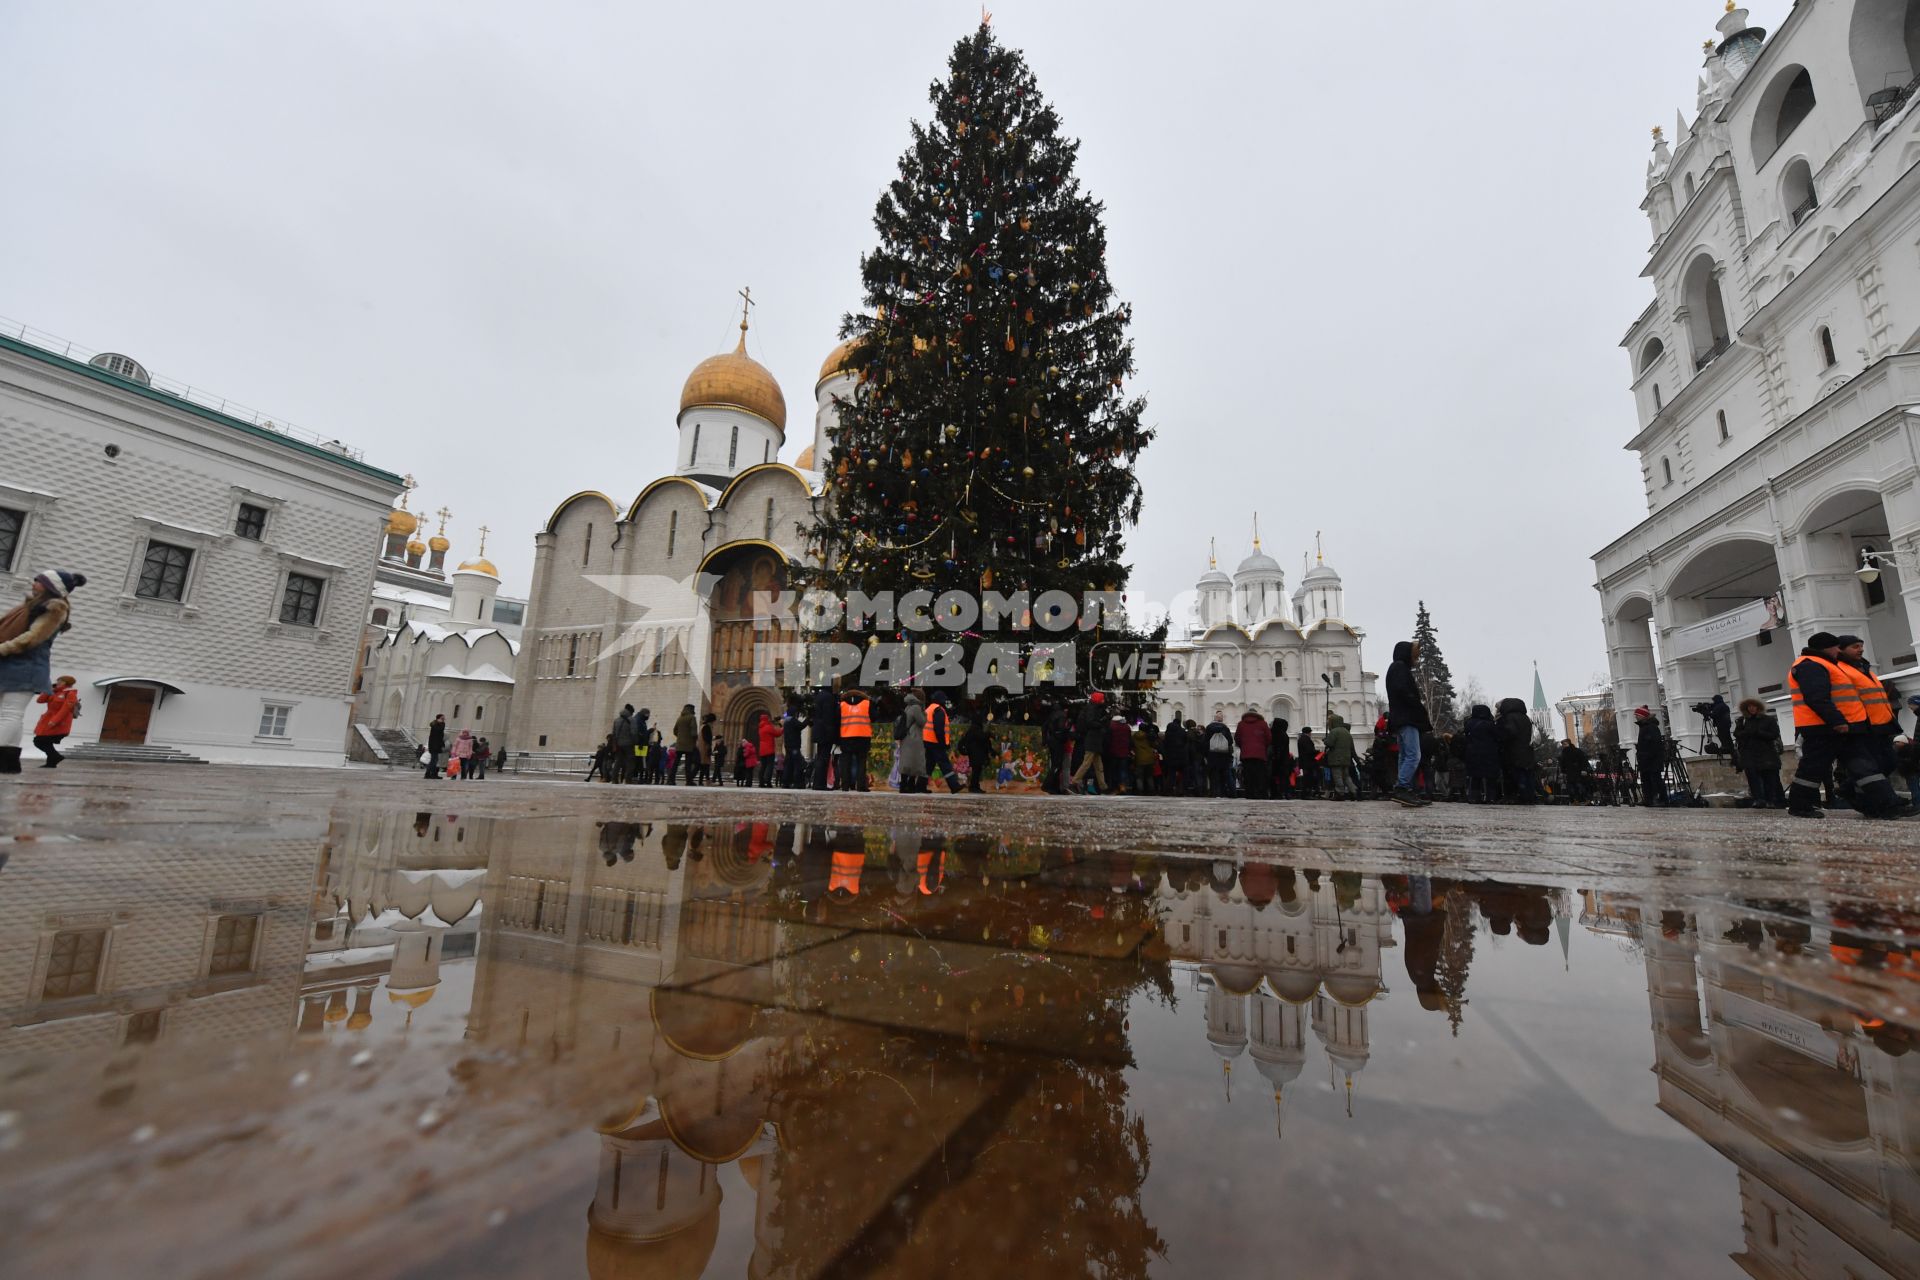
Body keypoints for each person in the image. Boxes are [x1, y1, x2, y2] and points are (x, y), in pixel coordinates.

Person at [1787, 631, 1901, 819]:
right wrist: (1837, 721)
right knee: (1813, 768)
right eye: (1836, 647)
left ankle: (1887, 805)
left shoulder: (1824, 664)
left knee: (1865, 767)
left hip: (1844, 727)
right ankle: (1799, 805)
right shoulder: (1811, 665)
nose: (1838, 651)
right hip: (1823, 728)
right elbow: (1816, 698)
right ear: (1827, 648)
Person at [0, 571, 86, 776]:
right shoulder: (33, 607)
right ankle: (8, 761)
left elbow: (32, 638)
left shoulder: (55, 608)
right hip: (14, 663)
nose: (34, 583)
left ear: (50, 586)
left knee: (11, 713)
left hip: (26, 665)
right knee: (12, 714)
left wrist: (2, 648)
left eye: (39, 581)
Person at [1838, 635, 1902, 796]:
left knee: (1889, 762)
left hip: (1882, 723)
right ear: (1841, 649)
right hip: (1866, 725)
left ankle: (1849, 787)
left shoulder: (1863, 668)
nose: (1861, 649)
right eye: (1855, 646)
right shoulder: (1841, 669)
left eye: (1861, 645)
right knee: (1875, 765)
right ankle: (1877, 798)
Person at [1384, 639, 1432, 807]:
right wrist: (1417, 707)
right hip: (1406, 717)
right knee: (1413, 755)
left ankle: (1407, 790)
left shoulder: (1396, 668)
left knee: (1405, 755)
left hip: (1400, 718)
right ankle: (1402, 787)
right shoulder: (1400, 668)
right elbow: (1403, 692)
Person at [1733, 698, 1784, 808]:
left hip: (1766, 754)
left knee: (1769, 778)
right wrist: (1746, 732)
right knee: (1753, 778)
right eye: (1749, 707)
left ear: (1758, 707)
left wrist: (1759, 733)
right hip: (1749, 754)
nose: (1751, 709)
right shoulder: (1743, 721)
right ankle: (1758, 799)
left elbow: (1774, 734)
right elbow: (1737, 734)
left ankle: (1771, 800)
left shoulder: (1768, 720)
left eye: (1753, 706)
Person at [32, 674, 80, 768]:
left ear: (67, 683)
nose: (58, 682)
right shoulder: (55, 692)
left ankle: (55, 757)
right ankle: (51, 762)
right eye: (58, 680)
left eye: (61, 681)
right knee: (44, 741)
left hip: (59, 723)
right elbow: (40, 700)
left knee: (40, 740)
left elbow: (65, 710)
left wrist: (54, 721)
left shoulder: (70, 693)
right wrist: (49, 689)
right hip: (47, 720)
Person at [1495, 698, 1536, 803]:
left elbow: (1509, 733)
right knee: (1527, 775)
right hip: (1527, 751)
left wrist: (1499, 735)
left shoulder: (1508, 718)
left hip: (1513, 752)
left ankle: (1516, 797)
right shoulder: (1526, 718)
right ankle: (1529, 797)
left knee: (1515, 775)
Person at [1070, 694, 1110, 794]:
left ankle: (1103, 786)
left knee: (1098, 765)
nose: (1103, 700)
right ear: (1098, 699)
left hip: (1095, 740)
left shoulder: (1094, 708)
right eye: (1102, 699)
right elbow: (1090, 722)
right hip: (1092, 739)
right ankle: (1074, 782)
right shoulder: (1092, 709)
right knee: (1087, 763)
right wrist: (1101, 723)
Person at [1463, 704, 1500, 803]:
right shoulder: (1490, 724)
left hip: (1473, 753)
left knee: (1475, 776)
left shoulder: (1469, 723)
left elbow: (1466, 737)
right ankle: (1490, 798)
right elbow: (1498, 737)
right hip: (1489, 754)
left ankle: (1474, 797)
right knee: (1490, 777)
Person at [839, 687, 873, 792]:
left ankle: (845, 786)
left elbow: (837, 719)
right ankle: (861, 786)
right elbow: (874, 716)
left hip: (846, 736)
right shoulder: (867, 704)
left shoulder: (842, 705)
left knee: (846, 762)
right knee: (861, 762)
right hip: (863, 736)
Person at [1633, 706, 1668, 807]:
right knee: (1646, 779)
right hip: (1645, 759)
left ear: (1643, 716)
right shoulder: (1644, 726)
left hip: (1652, 759)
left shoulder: (1651, 727)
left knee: (1655, 780)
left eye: (1637, 715)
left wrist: (1646, 754)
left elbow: (1654, 744)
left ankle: (1661, 799)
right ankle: (1649, 799)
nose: (1636, 717)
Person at [924, 695, 958, 793]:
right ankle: (954, 785)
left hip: (927, 741)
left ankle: (920, 786)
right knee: (944, 763)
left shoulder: (929, 709)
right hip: (936, 742)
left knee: (929, 765)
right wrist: (943, 743)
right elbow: (939, 729)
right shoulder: (939, 710)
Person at [1234, 708, 1270, 799]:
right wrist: (1262, 746)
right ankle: (1261, 793)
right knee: (1260, 775)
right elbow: (1269, 738)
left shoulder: (1241, 724)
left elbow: (1237, 738)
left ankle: (1250, 794)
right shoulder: (1263, 723)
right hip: (1260, 754)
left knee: (1248, 775)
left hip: (1246, 754)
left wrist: (1244, 746)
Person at [810, 682, 840, 790]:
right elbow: (829, 718)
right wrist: (833, 734)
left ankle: (817, 783)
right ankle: (820, 784)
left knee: (820, 757)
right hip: (825, 732)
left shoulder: (819, 696)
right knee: (823, 758)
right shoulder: (828, 698)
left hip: (819, 731)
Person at [897, 693, 928, 793]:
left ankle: (903, 785)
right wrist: (925, 713)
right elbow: (922, 722)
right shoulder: (916, 708)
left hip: (907, 737)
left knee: (906, 761)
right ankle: (910, 785)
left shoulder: (908, 707)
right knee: (915, 761)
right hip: (914, 738)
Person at [1199, 712, 1233, 797]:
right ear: (1221, 719)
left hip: (1212, 755)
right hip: (1223, 755)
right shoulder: (1225, 728)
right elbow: (1230, 741)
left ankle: (1214, 792)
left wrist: (1205, 755)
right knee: (1223, 775)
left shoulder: (1209, 728)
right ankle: (1224, 792)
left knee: (1213, 775)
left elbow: (1205, 742)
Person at [1324, 713, 1356, 798]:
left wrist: (1325, 740)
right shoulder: (1346, 732)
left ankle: (1340, 793)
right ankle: (1354, 791)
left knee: (1337, 776)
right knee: (1346, 776)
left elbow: (1330, 743)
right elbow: (1351, 746)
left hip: (1336, 758)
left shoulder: (1334, 731)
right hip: (1346, 758)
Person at [1043, 700, 1071, 794]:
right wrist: (1067, 730)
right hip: (1058, 742)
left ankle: (1053, 787)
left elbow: (1044, 727)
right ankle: (1047, 785)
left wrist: (1045, 740)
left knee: (1055, 764)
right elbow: (1061, 728)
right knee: (1057, 765)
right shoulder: (1062, 715)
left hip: (1051, 741)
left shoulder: (1051, 715)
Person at [960, 712, 991, 794]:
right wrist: (988, 734)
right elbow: (982, 737)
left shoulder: (972, 729)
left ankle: (975, 786)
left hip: (974, 753)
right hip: (976, 754)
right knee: (976, 771)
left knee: (976, 770)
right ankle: (974, 787)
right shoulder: (975, 729)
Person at [1160, 716, 1189, 797]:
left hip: (1171, 756)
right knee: (1183, 774)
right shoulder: (1182, 731)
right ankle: (1181, 790)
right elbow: (1186, 742)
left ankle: (1169, 790)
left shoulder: (1168, 733)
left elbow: (1165, 745)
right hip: (1182, 756)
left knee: (1171, 774)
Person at [672, 704, 699, 785]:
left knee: (675, 763)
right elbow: (694, 732)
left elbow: (675, 730)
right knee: (688, 764)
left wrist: (680, 737)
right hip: (689, 744)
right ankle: (689, 781)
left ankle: (671, 779)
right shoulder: (692, 717)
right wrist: (694, 740)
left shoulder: (680, 718)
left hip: (679, 744)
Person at [610, 705, 637, 784]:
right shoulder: (632, 720)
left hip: (618, 744)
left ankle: (614, 779)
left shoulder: (616, 720)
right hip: (629, 744)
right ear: (631, 712)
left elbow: (613, 733)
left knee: (618, 761)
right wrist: (635, 741)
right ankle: (628, 779)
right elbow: (634, 732)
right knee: (630, 762)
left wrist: (615, 744)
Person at [782, 701, 806, 788]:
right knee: (797, 764)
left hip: (788, 746)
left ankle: (785, 782)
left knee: (788, 764)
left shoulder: (786, 721)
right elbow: (801, 726)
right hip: (794, 746)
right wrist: (808, 718)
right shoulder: (792, 720)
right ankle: (797, 782)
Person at [1269, 716, 1293, 799]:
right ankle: (1286, 793)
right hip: (1284, 759)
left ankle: (1275, 793)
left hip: (1274, 758)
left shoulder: (1272, 733)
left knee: (1273, 777)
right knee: (1284, 777)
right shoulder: (1284, 735)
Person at [1295, 725, 1319, 799]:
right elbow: (1309, 751)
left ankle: (1305, 793)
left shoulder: (1301, 738)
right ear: (1309, 732)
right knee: (1308, 778)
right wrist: (1317, 752)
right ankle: (1306, 794)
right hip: (1308, 762)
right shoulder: (1306, 739)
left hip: (1304, 761)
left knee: (1306, 778)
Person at [756, 710, 779, 787]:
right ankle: (768, 781)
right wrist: (783, 728)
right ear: (766, 719)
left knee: (763, 766)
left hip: (762, 750)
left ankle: (761, 782)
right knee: (770, 766)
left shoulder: (760, 727)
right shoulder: (768, 727)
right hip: (769, 750)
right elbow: (777, 733)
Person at [424, 713, 448, 779]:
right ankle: (431, 774)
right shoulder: (435, 725)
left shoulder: (440, 725)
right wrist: (441, 723)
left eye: (444, 719)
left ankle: (429, 774)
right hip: (434, 745)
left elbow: (440, 736)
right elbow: (438, 731)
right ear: (438, 718)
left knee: (434, 760)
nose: (443, 720)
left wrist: (442, 745)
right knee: (433, 760)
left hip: (437, 745)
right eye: (442, 718)